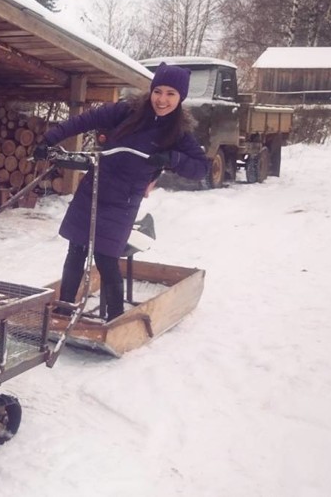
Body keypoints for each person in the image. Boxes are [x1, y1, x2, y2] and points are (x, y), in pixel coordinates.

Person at [36, 62, 210, 320]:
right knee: (76, 251)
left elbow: (200, 168)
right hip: (93, 190)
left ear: (180, 98)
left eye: (170, 94)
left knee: (106, 259)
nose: (162, 100)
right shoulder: (127, 111)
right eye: (158, 91)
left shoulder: (178, 132)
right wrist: (49, 139)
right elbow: (85, 119)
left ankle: (115, 320)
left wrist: (172, 159)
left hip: (123, 202)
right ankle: (64, 310)